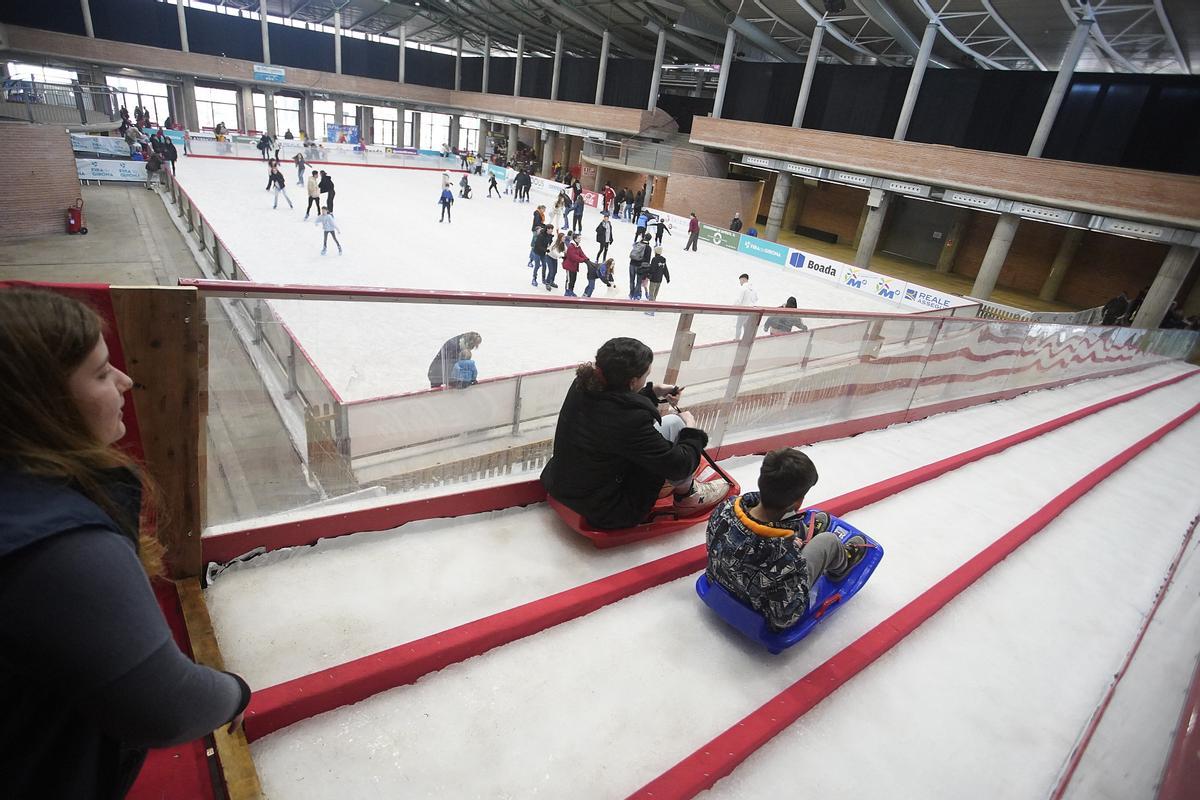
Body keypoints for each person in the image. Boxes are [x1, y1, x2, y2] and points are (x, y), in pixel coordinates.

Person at [0, 289, 252, 798]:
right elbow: (164, 705)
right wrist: (236, 693)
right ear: (37, 406)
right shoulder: (58, 547)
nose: (125, 381)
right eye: (98, 374)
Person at [541, 337, 730, 530]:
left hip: (563, 484)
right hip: (605, 507)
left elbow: (611, 405)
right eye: (645, 376)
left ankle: (684, 490)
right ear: (632, 382)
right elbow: (678, 465)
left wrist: (652, 392)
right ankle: (688, 496)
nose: (646, 380)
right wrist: (691, 431)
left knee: (672, 422)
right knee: (679, 425)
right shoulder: (629, 421)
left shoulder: (583, 385)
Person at [706, 448, 870, 632]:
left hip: (721, 576)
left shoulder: (725, 507)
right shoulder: (785, 555)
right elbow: (784, 617)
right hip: (759, 605)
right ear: (799, 501)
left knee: (785, 516)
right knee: (828, 541)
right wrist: (791, 555)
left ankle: (801, 531)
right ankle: (841, 565)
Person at [734, 273, 759, 339]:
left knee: (738, 326)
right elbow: (756, 299)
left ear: (743, 279)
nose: (740, 282)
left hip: (743, 310)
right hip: (751, 310)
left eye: (740, 281)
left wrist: (734, 307)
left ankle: (737, 339)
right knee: (746, 325)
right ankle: (746, 338)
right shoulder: (753, 289)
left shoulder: (743, 288)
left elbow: (739, 300)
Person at [628, 233, 652, 300]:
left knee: (631, 280)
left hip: (632, 264)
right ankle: (636, 295)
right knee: (638, 282)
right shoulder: (648, 248)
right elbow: (647, 260)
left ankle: (631, 294)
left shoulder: (637, 244)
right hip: (640, 266)